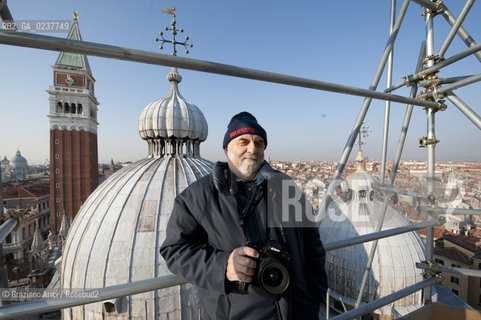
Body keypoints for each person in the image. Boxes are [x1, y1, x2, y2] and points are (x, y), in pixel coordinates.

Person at [160, 111, 327, 319]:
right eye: (243, 141)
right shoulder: (197, 197)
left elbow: (312, 244)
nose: (252, 149)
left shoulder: (286, 188)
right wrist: (224, 266)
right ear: (227, 149)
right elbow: (174, 250)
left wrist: (317, 292)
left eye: (259, 143)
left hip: (300, 312)